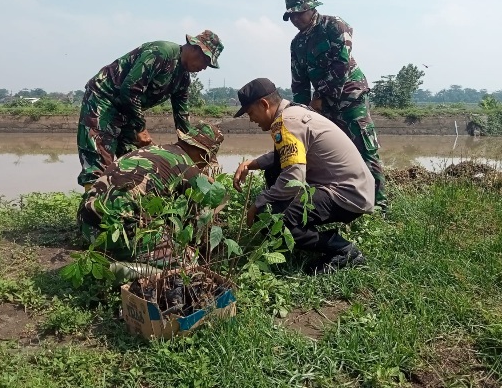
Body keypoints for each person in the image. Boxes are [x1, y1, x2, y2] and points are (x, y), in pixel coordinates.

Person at [232, 78, 374, 274]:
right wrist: (251, 164)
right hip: (354, 188)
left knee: (269, 217)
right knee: (274, 175)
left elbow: (294, 179)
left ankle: (342, 250)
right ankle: (303, 232)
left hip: (347, 194)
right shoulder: (293, 113)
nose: (251, 119)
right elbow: (286, 156)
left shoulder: (286, 123)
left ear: (264, 104)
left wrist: (257, 204)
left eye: (250, 113)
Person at [77, 30, 224, 189]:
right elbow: (130, 89)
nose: (204, 68)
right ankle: (90, 208)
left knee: (137, 162)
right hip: (104, 100)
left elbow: (182, 121)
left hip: (128, 112)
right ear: (196, 48)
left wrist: (191, 158)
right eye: (205, 61)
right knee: (98, 164)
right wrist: (141, 129)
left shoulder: (183, 79)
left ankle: (123, 205)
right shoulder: (161, 53)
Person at [282, 0, 387, 210]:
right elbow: (299, 83)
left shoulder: (334, 25)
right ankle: (342, 199)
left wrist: (318, 97)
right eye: (291, 16)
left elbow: (341, 65)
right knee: (331, 153)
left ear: (311, 9)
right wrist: (300, 112)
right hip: (324, 106)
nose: (295, 20)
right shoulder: (297, 44)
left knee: (364, 148)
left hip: (350, 99)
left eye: (299, 14)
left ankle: (379, 205)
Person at [78, 121, 225, 264]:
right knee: (188, 262)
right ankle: (123, 269)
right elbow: (202, 215)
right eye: (207, 160)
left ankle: (108, 253)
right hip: (115, 234)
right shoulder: (189, 169)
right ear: (203, 154)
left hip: (86, 225)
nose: (205, 165)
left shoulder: (153, 150)